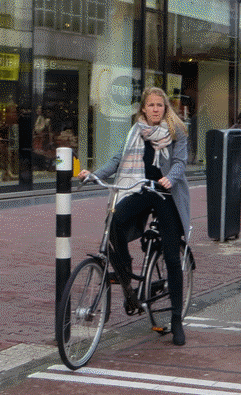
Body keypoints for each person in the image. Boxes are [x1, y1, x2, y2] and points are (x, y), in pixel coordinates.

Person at [78, 87, 191, 345]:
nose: (155, 109)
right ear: (143, 108)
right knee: (115, 219)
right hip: (142, 189)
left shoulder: (177, 131)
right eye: (150, 105)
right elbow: (118, 160)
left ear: (165, 108)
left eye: (159, 105)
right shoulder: (136, 131)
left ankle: (176, 319)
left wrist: (170, 178)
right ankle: (125, 272)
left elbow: (180, 163)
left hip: (166, 193)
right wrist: (94, 175)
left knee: (172, 255)